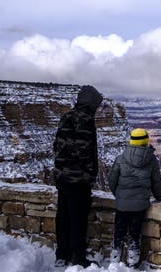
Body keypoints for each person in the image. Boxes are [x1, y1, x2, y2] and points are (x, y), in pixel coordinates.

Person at [52, 85, 103, 268]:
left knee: (63, 217)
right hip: (78, 180)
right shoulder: (86, 119)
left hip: (62, 178)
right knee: (78, 219)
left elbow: (56, 145)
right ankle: (79, 257)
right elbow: (83, 150)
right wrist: (89, 173)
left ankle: (61, 255)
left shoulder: (66, 116)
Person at [108, 128, 161, 268]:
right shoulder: (151, 159)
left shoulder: (121, 157)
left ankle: (114, 260)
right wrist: (160, 196)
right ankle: (132, 262)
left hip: (121, 204)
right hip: (140, 205)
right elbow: (156, 182)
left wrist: (119, 196)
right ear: (145, 140)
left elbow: (112, 180)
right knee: (135, 234)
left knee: (118, 232)